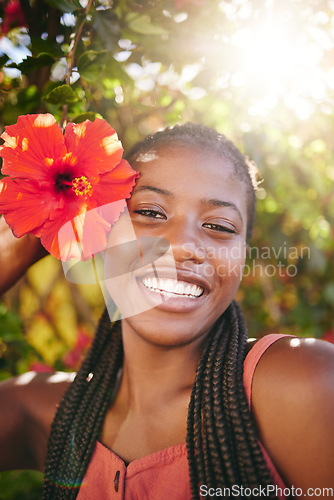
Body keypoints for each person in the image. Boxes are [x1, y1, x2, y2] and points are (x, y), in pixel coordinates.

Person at [0, 123, 333, 500]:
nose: (182, 245)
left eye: (219, 226)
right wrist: (20, 234)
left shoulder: (304, 384)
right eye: (151, 212)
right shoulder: (45, 411)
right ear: (100, 231)